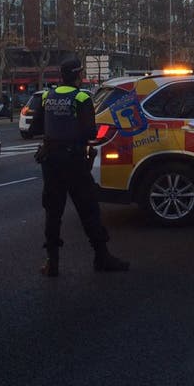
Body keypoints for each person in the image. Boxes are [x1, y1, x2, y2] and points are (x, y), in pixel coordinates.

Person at [29, 57, 129, 276]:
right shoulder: (82, 97)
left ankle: (52, 262)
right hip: (74, 161)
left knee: (53, 212)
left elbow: (35, 126)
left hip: (51, 161)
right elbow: (89, 132)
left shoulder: (47, 96)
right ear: (77, 75)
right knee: (88, 209)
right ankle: (102, 256)